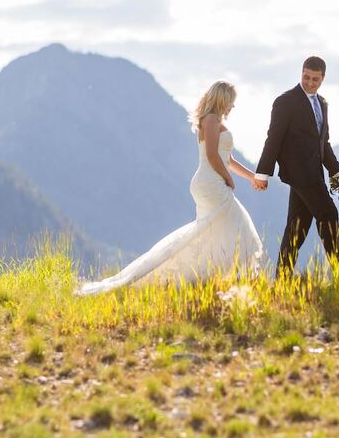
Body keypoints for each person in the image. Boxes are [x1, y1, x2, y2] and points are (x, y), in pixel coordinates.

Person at [76, 81, 263, 295]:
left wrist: (251, 177)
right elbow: (212, 155)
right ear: (223, 99)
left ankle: (211, 279)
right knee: (235, 225)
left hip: (211, 181)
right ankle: (219, 278)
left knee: (212, 232)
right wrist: (228, 178)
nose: (233, 106)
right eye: (231, 101)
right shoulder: (211, 120)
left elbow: (228, 159)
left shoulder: (213, 121)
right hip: (211, 182)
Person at [253, 56, 339, 278]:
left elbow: (323, 143)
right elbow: (274, 138)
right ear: (301, 73)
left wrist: (337, 171)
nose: (310, 82)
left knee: (298, 226)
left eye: (315, 79)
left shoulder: (323, 103)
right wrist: (262, 173)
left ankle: (282, 279)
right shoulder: (285, 101)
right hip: (298, 173)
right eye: (306, 77)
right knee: (328, 213)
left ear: (323, 78)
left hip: (315, 174)